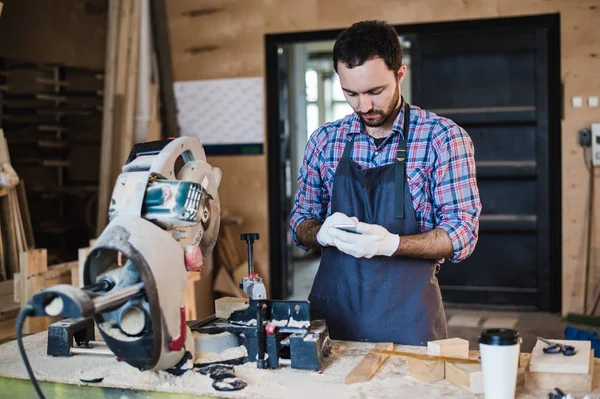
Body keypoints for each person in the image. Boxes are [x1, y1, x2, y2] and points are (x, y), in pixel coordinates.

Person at [289, 20, 482, 346]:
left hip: (408, 324)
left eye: (375, 92)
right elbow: (299, 222)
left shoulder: (442, 138)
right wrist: (318, 231)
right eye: (350, 93)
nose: (363, 106)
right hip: (332, 320)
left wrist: (392, 244)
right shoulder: (325, 141)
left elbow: (462, 233)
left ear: (399, 74)